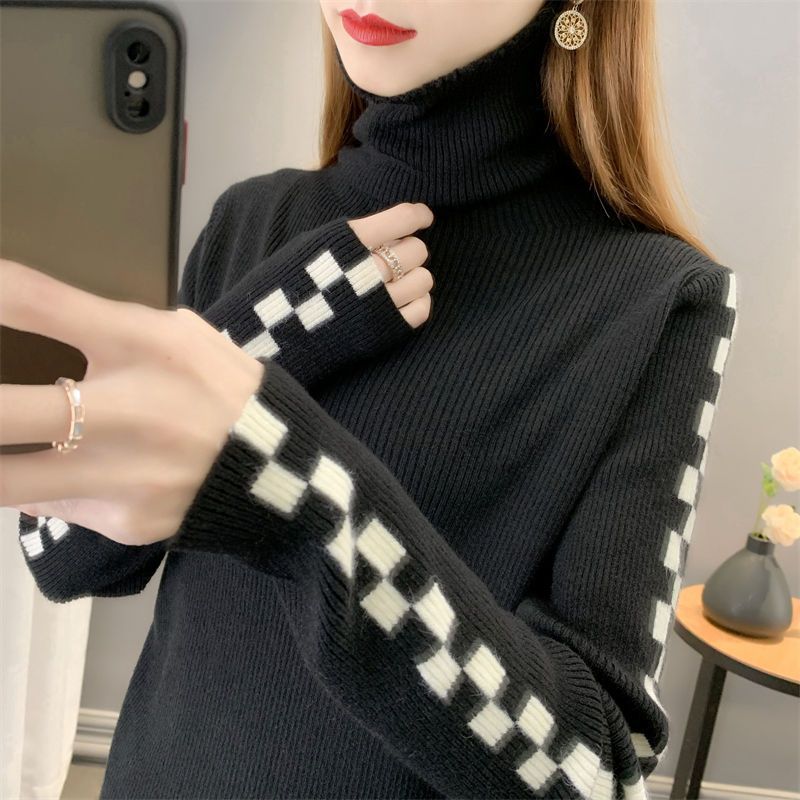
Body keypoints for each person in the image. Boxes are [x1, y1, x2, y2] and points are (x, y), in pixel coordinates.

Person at [7, 1, 739, 797]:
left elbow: (596, 777)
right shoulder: (252, 221)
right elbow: (60, 552)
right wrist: (273, 331)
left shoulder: (664, 301)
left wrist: (297, 494)